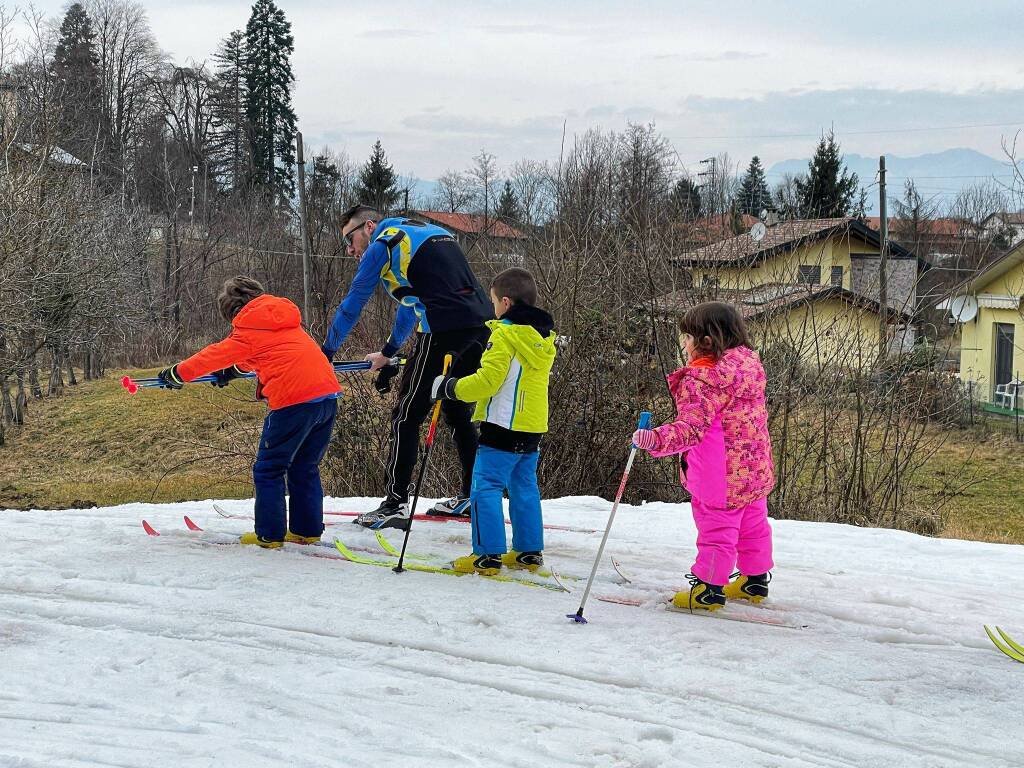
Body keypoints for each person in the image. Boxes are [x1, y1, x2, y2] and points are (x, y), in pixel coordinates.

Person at [322, 205, 492, 530]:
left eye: (350, 238)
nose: (350, 249)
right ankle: (472, 497)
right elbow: (411, 302)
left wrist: (326, 351)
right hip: (481, 327)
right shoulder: (424, 232)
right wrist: (388, 351)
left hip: (443, 330)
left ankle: (395, 504)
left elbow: (354, 303)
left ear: (369, 226)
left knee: (406, 415)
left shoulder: (382, 244)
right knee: (458, 411)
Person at [157, 276, 340, 547]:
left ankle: (269, 534)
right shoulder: (283, 319)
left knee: (269, 468)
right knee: (305, 466)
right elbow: (258, 355)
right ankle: (306, 530)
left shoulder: (247, 328)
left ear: (233, 312)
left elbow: (213, 355)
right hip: (327, 397)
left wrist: (177, 373)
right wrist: (233, 371)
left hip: (293, 402)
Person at [630, 301, 775, 611]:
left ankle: (709, 589)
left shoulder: (704, 379)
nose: (684, 344)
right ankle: (754, 581)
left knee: (717, 530)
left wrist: (655, 439)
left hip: (719, 476)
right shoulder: (748, 366)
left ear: (706, 341)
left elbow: (691, 429)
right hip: (753, 470)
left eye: (687, 337)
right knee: (754, 526)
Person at [431, 267, 556, 574]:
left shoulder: (505, 335)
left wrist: (451, 387)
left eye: (494, 303)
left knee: (485, 485)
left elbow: (489, 381)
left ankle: (486, 555)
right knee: (523, 486)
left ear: (505, 302)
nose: (493, 310)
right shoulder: (542, 338)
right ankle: (529, 551)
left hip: (502, 424)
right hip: (532, 425)